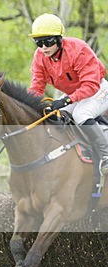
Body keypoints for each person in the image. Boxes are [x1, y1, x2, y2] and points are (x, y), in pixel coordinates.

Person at [28, 13, 108, 173]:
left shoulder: (79, 50)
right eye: (39, 42)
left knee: (81, 114)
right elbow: (36, 88)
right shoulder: (39, 57)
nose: (43, 47)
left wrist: (66, 101)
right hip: (74, 95)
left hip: (98, 89)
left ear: (59, 39)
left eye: (48, 41)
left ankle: (106, 156)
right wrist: (29, 106)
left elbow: (90, 85)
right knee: (57, 116)